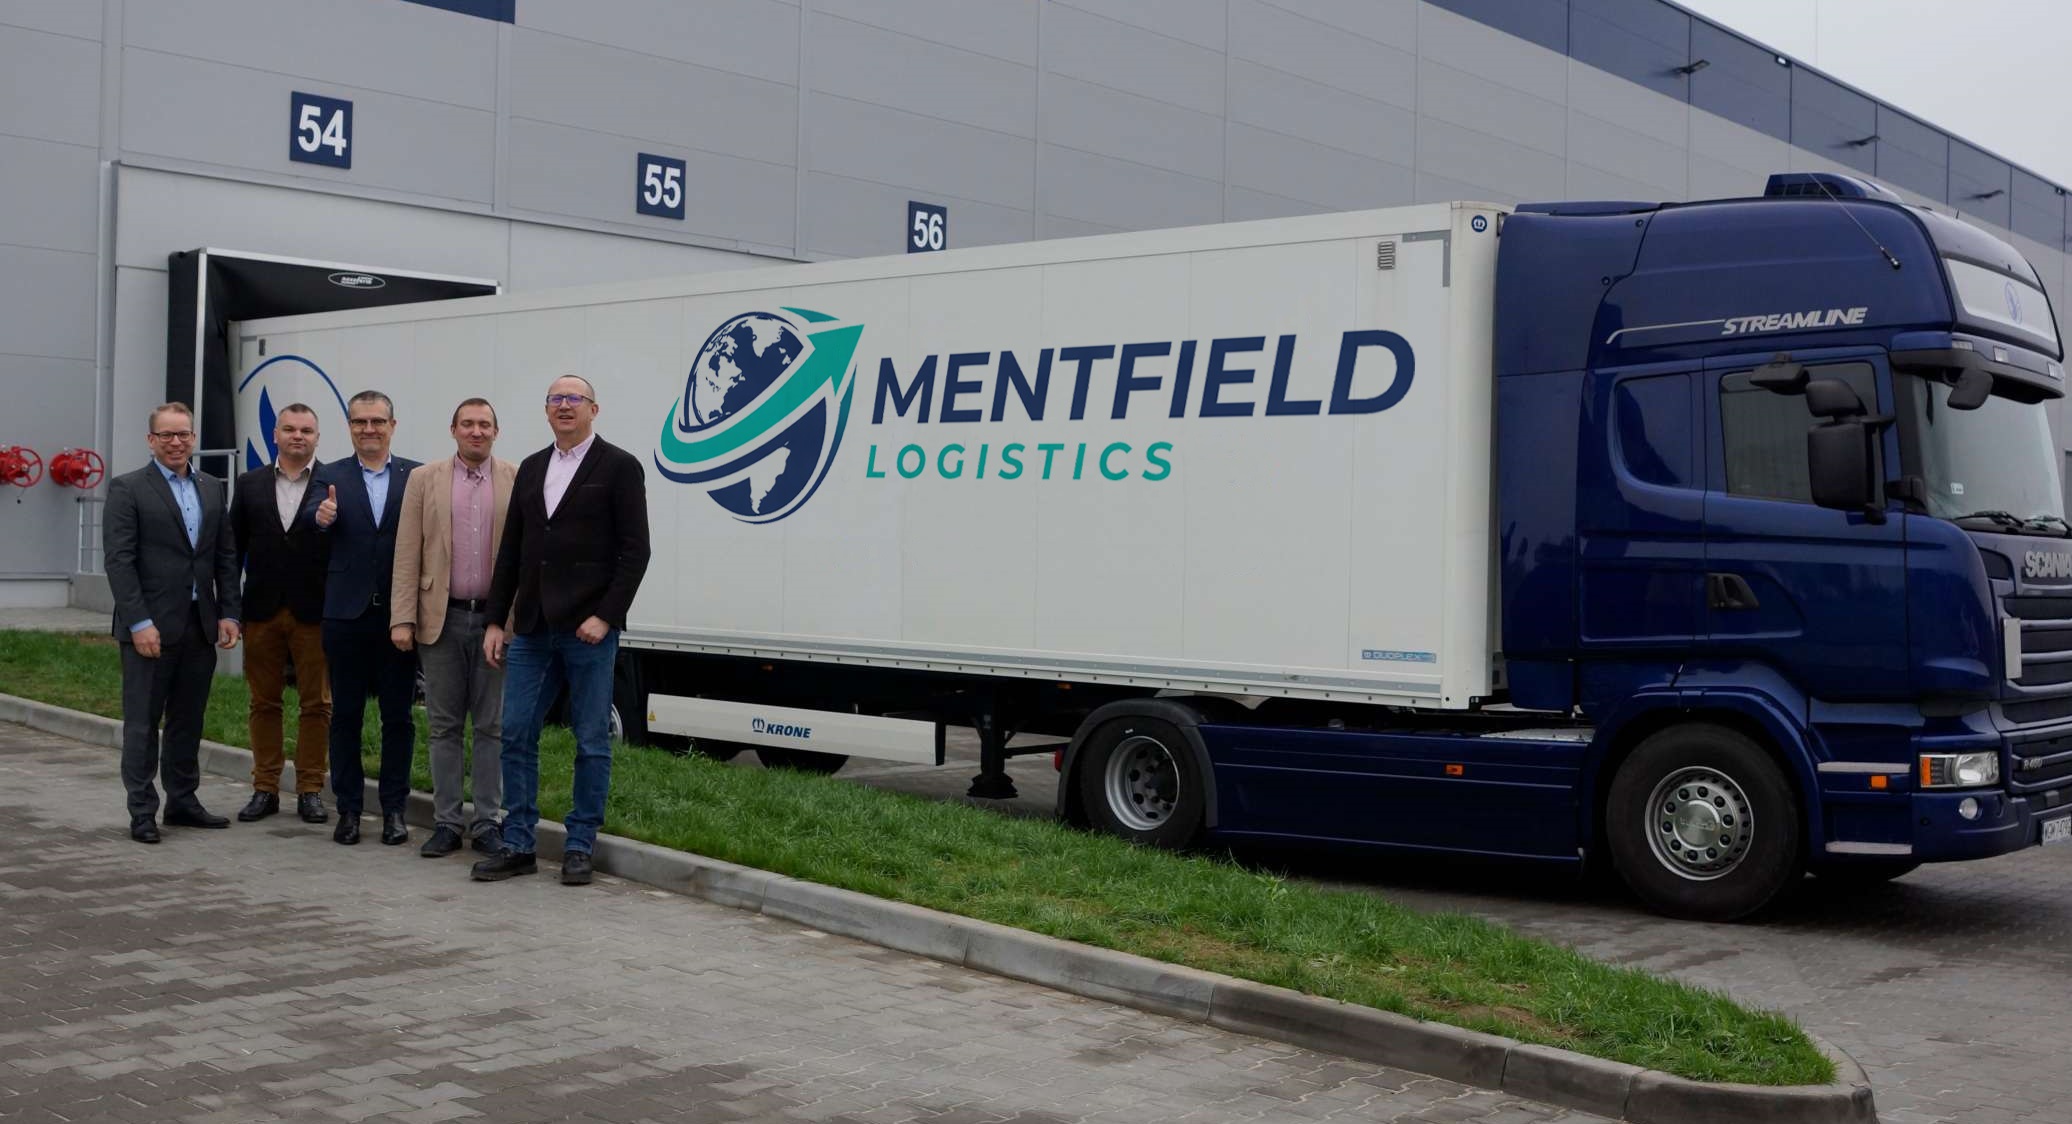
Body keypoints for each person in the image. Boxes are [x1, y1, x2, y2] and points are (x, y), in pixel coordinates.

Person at [472, 375, 650, 886]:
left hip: (588, 629)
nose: (565, 405)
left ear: (594, 409)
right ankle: (518, 843)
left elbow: (636, 550)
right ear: (546, 410)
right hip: (531, 629)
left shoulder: (619, 466)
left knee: (591, 739)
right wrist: (495, 620)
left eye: (575, 398)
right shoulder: (532, 467)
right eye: (556, 399)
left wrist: (606, 615)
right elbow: (512, 551)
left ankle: (579, 845)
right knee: (516, 733)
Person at [103, 402, 241, 843]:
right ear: (151, 440)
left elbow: (224, 556)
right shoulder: (128, 489)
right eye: (166, 435)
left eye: (183, 434)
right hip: (150, 629)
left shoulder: (211, 488)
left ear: (194, 438)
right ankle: (142, 811)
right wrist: (139, 622)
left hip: (199, 626)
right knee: (142, 724)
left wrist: (229, 613)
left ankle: (182, 801)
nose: (176, 442)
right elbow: (119, 562)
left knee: (187, 721)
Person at [390, 398, 516, 857]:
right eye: (468, 424)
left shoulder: (517, 479)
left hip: (496, 623)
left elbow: (524, 555)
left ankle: (486, 823)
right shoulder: (424, 480)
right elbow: (408, 550)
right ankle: (446, 823)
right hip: (440, 618)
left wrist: (515, 620)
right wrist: (402, 618)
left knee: (491, 726)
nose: (476, 431)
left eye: (484, 424)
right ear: (453, 429)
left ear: (496, 431)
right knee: (443, 726)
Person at [308, 390, 421, 847]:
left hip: (399, 617)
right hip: (345, 616)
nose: (368, 429)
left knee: (398, 717)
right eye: (359, 422)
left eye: (377, 421)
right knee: (346, 716)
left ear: (393, 425)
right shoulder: (329, 475)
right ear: (350, 426)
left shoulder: (416, 475)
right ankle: (349, 810)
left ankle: (394, 810)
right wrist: (321, 518)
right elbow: (310, 521)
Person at [229, 402, 332, 825]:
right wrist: (230, 609)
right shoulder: (249, 484)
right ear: (275, 435)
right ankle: (265, 788)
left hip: (316, 611)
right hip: (261, 609)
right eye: (289, 429)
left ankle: (310, 789)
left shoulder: (334, 482)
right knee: (263, 701)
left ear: (317, 437)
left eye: (306, 430)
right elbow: (232, 550)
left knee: (317, 704)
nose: (297, 436)